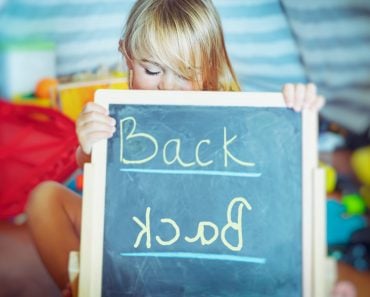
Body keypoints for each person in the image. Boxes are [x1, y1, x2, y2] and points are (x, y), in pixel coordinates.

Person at [26, 0, 325, 294]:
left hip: (208, 244)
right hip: (131, 239)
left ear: (210, 67)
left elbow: (270, 167)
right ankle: (87, 285)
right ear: (126, 54)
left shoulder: (232, 113)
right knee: (45, 197)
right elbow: (92, 173)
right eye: (152, 71)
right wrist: (90, 144)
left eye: (184, 74)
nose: (167, 86)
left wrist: (294, 107)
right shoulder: (117, 115)